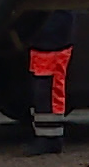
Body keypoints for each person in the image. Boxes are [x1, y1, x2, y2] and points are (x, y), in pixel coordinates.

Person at [25, 10, 75, 155]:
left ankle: (50, 138)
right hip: (47, 41)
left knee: (49, 90)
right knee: (45, 89)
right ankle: (47, 136)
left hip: (52, 42)